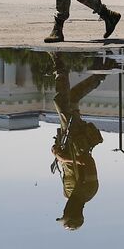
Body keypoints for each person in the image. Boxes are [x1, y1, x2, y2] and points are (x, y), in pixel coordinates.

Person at [50, 54, 106, 229]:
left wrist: (56, 151)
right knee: (60, 101)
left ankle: (101, 73)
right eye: (66, 213)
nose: (64, 210)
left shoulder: (68, 193)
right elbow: (87, 160)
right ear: (73, 212)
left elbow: (66, 167)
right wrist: (61, 157)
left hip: (66, 138)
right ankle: (59, 64)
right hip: (77, 136)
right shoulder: (89, 191)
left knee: (72, 98)